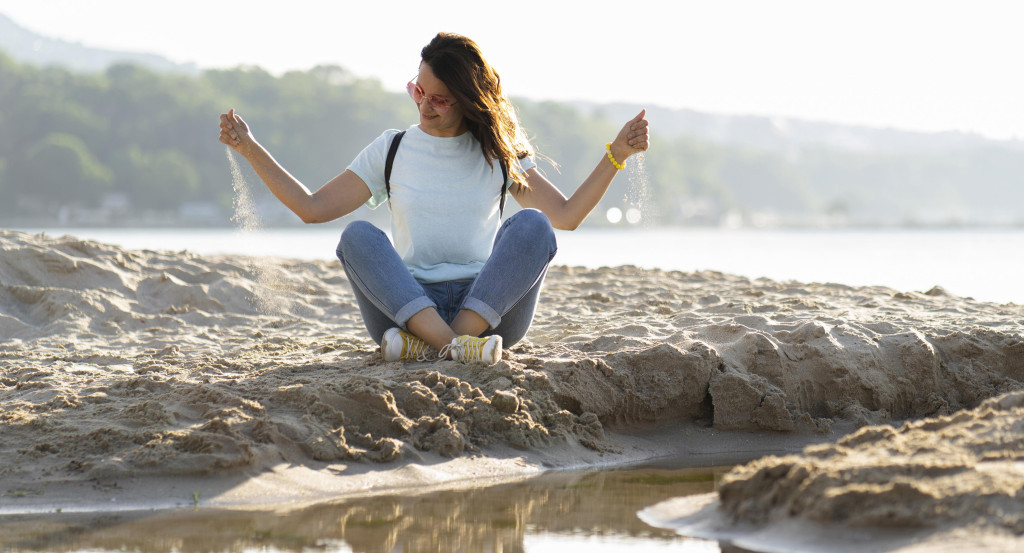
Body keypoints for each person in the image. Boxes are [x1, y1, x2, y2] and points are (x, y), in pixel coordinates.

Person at [219, 32, 649, 365]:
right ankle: (454, 347)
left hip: (488, 309)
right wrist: (249, 147)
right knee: (358, 236)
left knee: (534, 225)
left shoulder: (499, 151)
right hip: (408, 306)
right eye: (418, 91)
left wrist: (617, 154)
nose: (424, 106)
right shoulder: (392, 148)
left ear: (468, 100)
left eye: (439, 99)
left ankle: (433, 347)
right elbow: (311, 208)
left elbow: (567, 216)